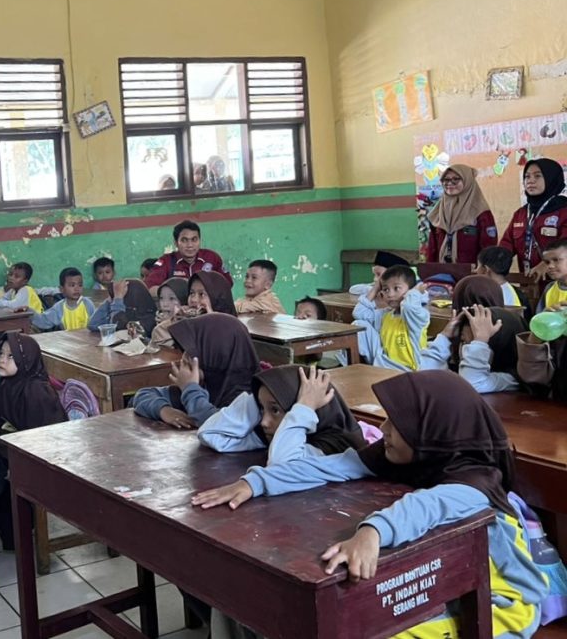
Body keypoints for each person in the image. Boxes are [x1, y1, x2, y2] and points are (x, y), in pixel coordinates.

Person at [193, 371, 548, 639]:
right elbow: (331, 466)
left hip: (500, 604)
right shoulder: (406, 454)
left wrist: (373, 531)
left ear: (431, 429)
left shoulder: (476, 481)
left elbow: (428, 505)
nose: (386, 429)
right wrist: (255, 483)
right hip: (440, 582)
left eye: (398, 423)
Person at [0, 332, 68, 548]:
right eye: (1, 354)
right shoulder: (5, 384)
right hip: (17, 452)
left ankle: (22, 533)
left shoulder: (37, 391)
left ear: (26, 360)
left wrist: (17, 469)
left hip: (44, 459)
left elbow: (46, 441)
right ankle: (14, 535)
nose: (1, 360)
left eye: (10, 356)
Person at [194, 364, 366, 465]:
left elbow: (281, 466)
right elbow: (210, 434)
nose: (264, 422)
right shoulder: (274, 433)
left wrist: (304, 406)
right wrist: (257, 399)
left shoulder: (336, 446)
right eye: (262, 410)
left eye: (275, 410)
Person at [132, 313, 260, 429]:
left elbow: (216, 423)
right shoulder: (204, 385)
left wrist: (190, 389)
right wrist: (165, 410)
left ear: (218, 353)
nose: (184, 358)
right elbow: (143, 395)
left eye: (194, 351)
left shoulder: (251, 399)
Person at [500, 158, 567, 279]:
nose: (530, 181)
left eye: (537, 176)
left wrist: (546, 264)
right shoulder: (520, 214)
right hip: (529, 282)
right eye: (527, 176)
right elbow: (506, 245)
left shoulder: (564, 211)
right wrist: (494, 263)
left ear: (551, 178)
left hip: (559, 284)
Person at [353, 265, 429, 371]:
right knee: (359, 325)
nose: (390, 294)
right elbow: (359, 313)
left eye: (396, 288)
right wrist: (376, 287)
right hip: (384, 365)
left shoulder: (418, 315)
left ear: (411, 290)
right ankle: (347, 370)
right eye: (386, 289)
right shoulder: (385, 314)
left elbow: (409, 306)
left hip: (407, 370)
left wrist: (415, 292)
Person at [425, 164, 498, 264]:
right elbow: (432, 248)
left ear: (468, 181)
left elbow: (488, 248)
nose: (449, 183)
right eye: (446, 180)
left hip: (471, 271)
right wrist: (430, 269)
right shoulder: (438, 211)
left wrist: (483, 269)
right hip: (442, 270)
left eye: (456, 179)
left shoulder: (481, 212)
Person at [149, 272, 235, 346]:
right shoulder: (181, 323)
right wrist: (175, 324)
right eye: (191, 293)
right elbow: (159, 336)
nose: (193, 299)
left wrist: (213, 323)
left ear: (217, 298)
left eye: (201, 294)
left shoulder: (234, 329)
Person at [143, 220, 233, 290]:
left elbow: (227, 283)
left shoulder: (212, 258)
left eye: (194, 239)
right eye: (184, 240)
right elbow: (150, 287)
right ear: (176, 243)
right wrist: (172, 293)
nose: (190, 245)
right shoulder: (166, 261)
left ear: (200, 240)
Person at [31, 267, 95, 331]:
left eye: (80, 285)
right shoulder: (59, 308)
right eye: (72, 285)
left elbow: (96, 323)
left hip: (86, 337)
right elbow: (44, 321)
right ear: (62, 289)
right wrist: (30, 312)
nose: (77, 289)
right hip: (67, 337)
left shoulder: (87, 304)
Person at [87, 279, 159, 336]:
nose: (119, 303)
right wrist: (110, 300)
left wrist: (118, 299)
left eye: (122, 300)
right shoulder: (126, 312)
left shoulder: (150, 320)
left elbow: (120, 328)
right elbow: (93, 324)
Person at [476, 246, 529, 311]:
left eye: (478, 266)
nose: (476, 270)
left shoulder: (485, 295)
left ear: (486, 269)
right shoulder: (517, 294)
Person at [537, 239, 567, 312]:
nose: (550, 266)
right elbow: (539, 316)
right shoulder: (549, 288)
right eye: (547, 262)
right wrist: (546, 314)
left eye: (556, 260)